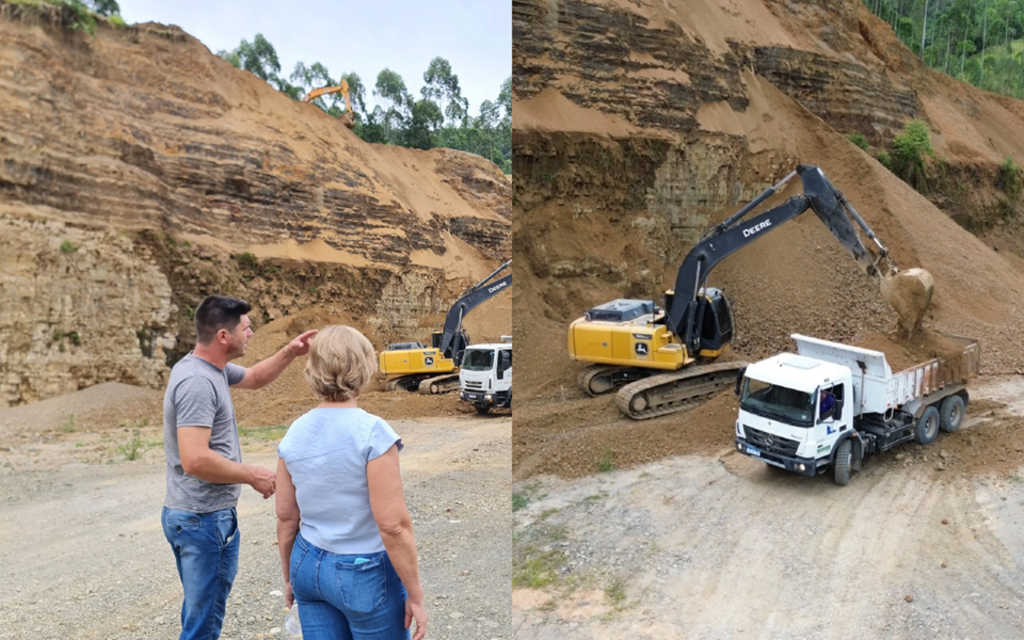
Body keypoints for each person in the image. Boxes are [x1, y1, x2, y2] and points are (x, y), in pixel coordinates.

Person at [161, 294, 317, 640]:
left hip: (195, 517)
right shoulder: (198, 383)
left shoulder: (208, 367)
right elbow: (195, 459)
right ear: (223, 337)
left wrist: (291, 351)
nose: (250, 334)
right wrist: (252, 474)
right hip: (202, 519)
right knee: (203, 624)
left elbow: (256, 378)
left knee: (199, 615)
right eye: (246, 329)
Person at [276, 325, 428, 640]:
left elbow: (286, 516)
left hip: (307, 563)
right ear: (365, 367)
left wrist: (290, 576)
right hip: (362, 571)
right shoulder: (373, 433)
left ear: (313, 369)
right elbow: (393, 526)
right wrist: (415, 595)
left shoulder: (294, 433)